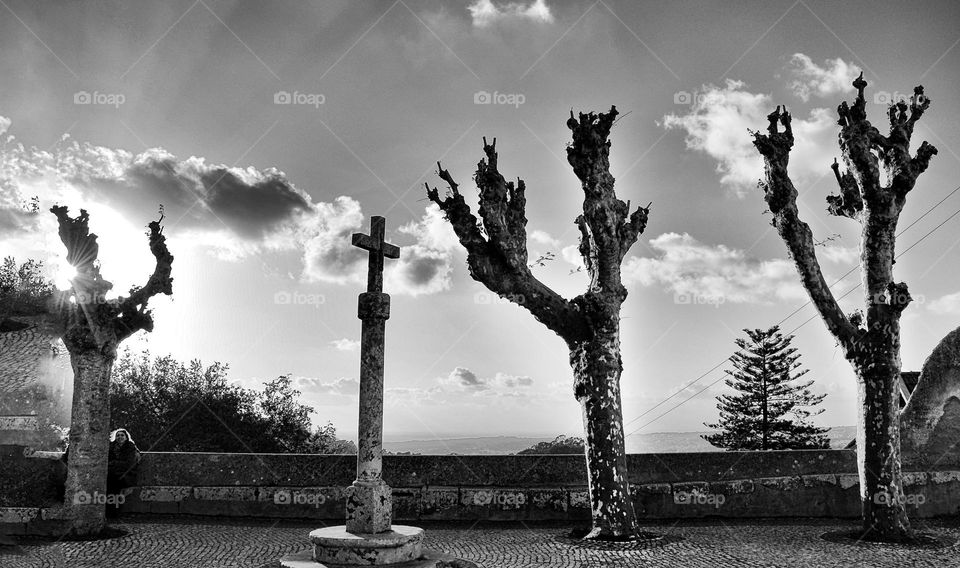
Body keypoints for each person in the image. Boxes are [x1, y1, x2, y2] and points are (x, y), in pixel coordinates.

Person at [107, 428, 141, 496]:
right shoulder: (111, 448)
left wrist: (114, 463)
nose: (120, 437)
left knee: (115, 481)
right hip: (114, 473)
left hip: (127, 474)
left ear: (126, 437)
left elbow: (129, 464)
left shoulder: (131, 448)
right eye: (118, 435)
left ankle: (115, 503)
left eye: (122, 435)